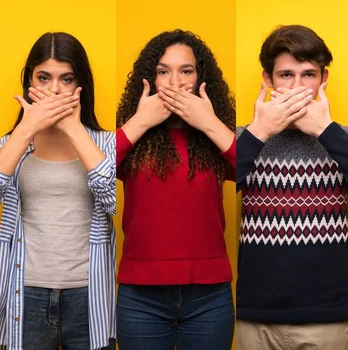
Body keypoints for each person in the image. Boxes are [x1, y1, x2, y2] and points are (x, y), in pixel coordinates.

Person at [235, 24, 348, 350]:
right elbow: (209, 187)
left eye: (308, 75)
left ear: (323, 79)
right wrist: (260, 132)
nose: (298, 87)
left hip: (326, 319)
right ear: (268, 79)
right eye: (286, 75)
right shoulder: (245, 137)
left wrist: (326, 130)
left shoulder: (346, 137)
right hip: (255, 317)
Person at [115, 29, 236, 350]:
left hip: (209, 295)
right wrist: (140, 121)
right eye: (163, 72)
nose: (175, 82)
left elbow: (253, 173)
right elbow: (95, 169)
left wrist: (208, 122)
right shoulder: (133, 133)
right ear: (149, 80)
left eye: (186, 71)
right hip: (141, 295)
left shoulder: (216, 134)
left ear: (201, 78)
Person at [0, 32, 116, 350]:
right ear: (29, 83)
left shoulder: (104, 144)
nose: (54, 90)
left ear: (81, 85)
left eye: (66, 79)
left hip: (88, 294)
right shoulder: (11, 145)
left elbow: (111, 200)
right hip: (27, 291)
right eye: (44, 78)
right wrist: (26, 130)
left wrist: (74, 130)